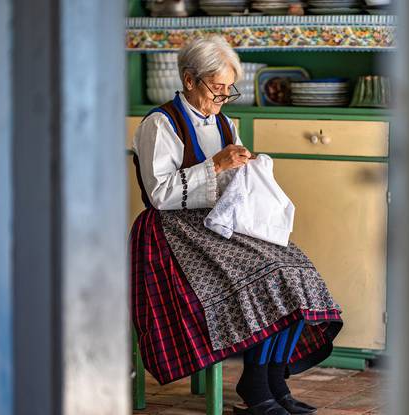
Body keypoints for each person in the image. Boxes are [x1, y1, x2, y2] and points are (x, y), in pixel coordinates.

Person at [130, 35, 343, 415]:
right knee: (268, 274)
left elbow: (232, 181)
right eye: (217, 88)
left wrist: (249, 167)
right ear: (189, 79)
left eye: (229, 90)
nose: (222, 98)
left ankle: (273, 382)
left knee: (294, 270)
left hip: (221, 222)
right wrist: (216, 165)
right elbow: (160, 194)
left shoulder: (225, 122)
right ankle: (256, 387)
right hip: (172, 235)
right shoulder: (160, 124)